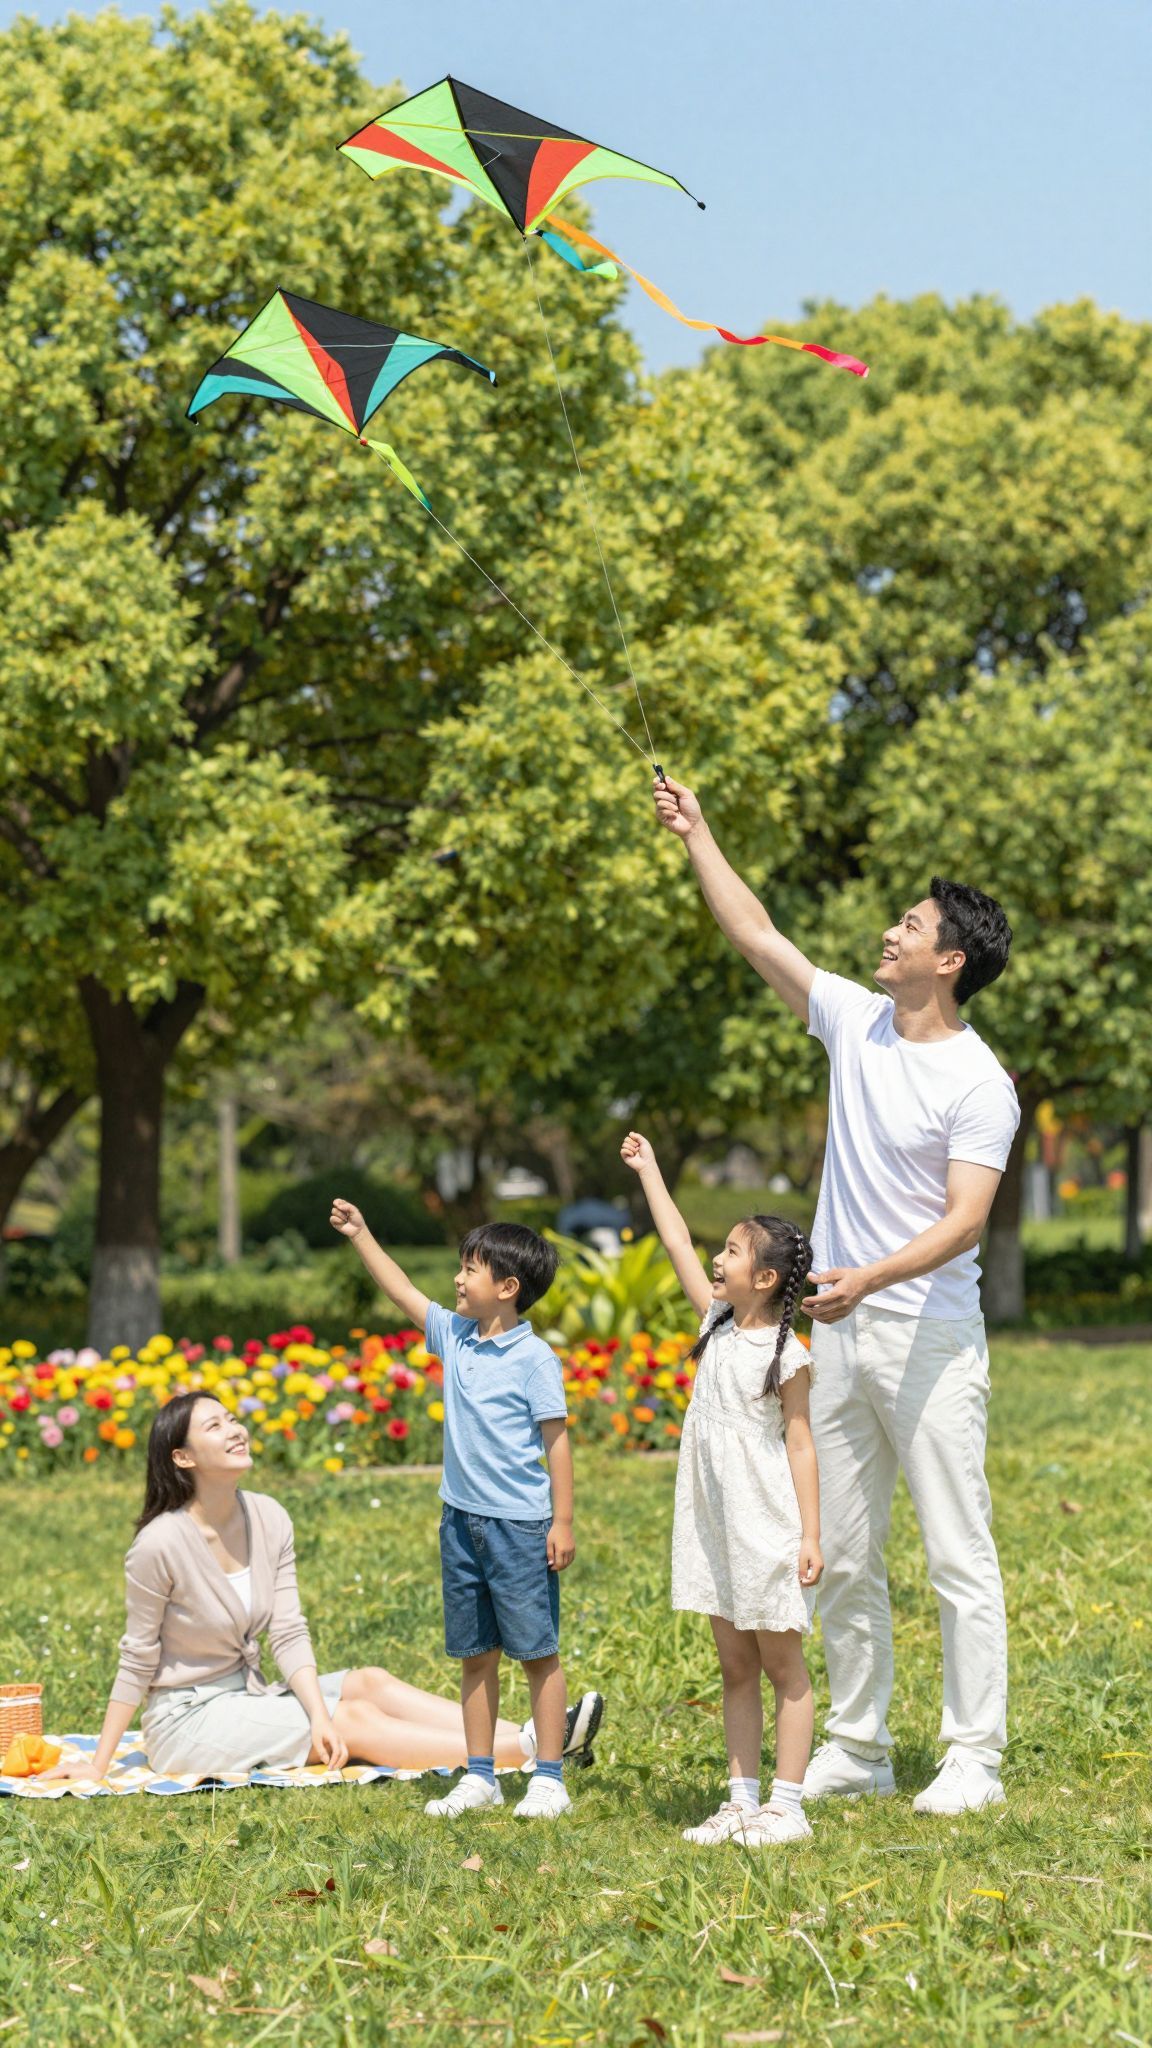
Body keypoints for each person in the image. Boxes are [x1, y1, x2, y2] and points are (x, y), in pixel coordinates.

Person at [653, 774, 1020, 1816]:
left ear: (948, 959)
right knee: (846, 1551)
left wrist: (870, 1275)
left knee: (957, 1548)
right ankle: (857, 1742)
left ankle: (974, 1754)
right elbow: (756, 931)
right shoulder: (855, 1020)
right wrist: (698, 831)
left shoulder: (979, 1083)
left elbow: (963, 1221)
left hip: (927, 1334)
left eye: (910, 923)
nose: (889, 931)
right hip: (837, 1335)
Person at [44, 1391, 538, 1786]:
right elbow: (137, 1658)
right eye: (214, 1426)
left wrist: (316, 1713)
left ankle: (537, 1735)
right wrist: (99, 1764)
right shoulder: (159, 1544)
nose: (235, 1430)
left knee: (368, 1682)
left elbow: (287, 1629)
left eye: (232, 1419)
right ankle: (523, 1753)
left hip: (248, 1695)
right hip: (188, 1721)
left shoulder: (269, 1516)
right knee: (352, 1721)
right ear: (182, 1457)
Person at [331, 1206, 603, 1820]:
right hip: (460, 1523)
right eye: (460, 1267)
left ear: (507, 1289)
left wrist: (563, 1522)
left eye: (470, 1269)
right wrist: (361, 1235)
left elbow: (556, 1442)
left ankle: (549, 1778)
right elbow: (401, 1289)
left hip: (520, 1527)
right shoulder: (453, 1335)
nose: (458, 1280)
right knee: (475, 1655)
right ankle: (481, 1775)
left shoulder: (535, 1360)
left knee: (537, 1654)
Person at [621, 1129, 822, 1847]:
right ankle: (740, 1798)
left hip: (764, 1522)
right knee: (735, 1663)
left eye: (733, 1251)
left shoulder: (784, 1353)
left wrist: (809, 1535)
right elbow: (676, 1241)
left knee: (782, 1664)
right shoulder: (715, 1325)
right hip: (712, 1522)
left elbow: (801, 1443)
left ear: (764, 1278)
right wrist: (649, 1170)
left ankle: (787, 1804)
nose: (716, 1258)